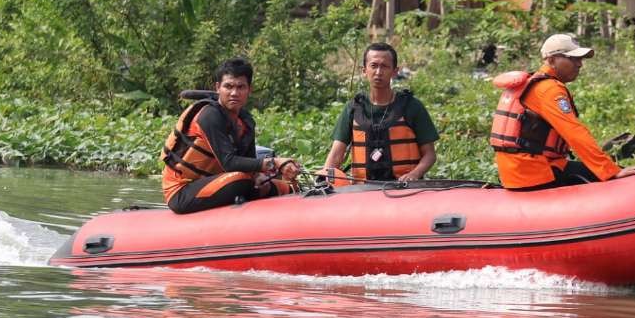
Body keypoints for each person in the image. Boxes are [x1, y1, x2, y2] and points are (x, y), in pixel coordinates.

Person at [490, 33, 635, 190]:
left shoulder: (532, 84)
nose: (579, 64)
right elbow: (575, 133)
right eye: (573, 59)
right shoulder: (550, 90)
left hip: (515, 171)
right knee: (618, 179)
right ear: (552, 60)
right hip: (535, 173)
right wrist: (612, 171)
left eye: (580, 59)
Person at [161, 57, 301, 214]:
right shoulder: (209, 116)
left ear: (250, 89)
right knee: (241, 180)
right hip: (182, 192)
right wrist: (274, 163)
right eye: (228, 86)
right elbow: (230, 163)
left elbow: (250, 163)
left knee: (287, 187)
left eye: (241, 87)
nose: (234, 93)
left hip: (219, 182)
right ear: (218, 87)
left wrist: (259, 177)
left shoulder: (246, 121)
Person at [322, 42, 439, 182]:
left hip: (405, 189)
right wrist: (323, 182)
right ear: (364, 70)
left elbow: (430, 154)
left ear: (395, 71)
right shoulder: (353, 107)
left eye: (384, 66)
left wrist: (414, 174)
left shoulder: (412, 106)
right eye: (373, 66)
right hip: (363, 190)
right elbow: (335, 155)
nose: (378, 72)